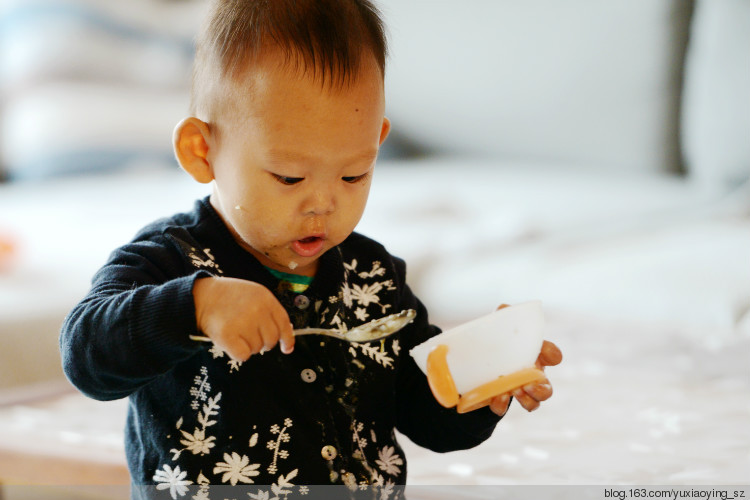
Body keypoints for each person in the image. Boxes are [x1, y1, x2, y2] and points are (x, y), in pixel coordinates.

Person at [60, 0, 562, 498]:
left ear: (377, 141)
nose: (322, 203)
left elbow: (423, 415)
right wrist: (197, 305)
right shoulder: (170, 259)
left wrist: (483, 384)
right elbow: (86, 355)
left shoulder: (374, 275)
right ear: (202, 151)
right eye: (289, 176)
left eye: (353, 174)